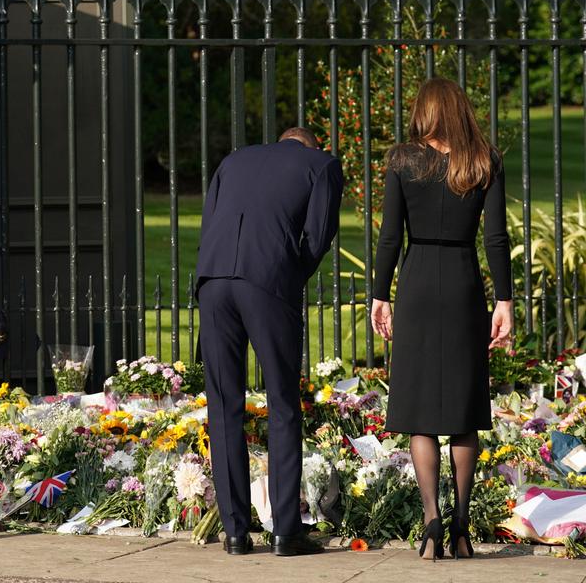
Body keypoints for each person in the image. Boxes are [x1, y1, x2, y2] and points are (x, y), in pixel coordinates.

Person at [371, 78, 512, 561]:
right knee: (463, 407)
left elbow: (390, 236)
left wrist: (379, 295)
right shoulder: (483, 160)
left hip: (416, 284)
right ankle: (461, 527)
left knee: (421, 409)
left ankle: (431, 520)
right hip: (462, 283)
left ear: (424, 112)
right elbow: (496, 238)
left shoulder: (403, 160)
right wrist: (505, 302)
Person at [196, 127, 343, 557]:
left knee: (224, 406)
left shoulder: (234, 159)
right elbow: (318, 236)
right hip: (267, 282)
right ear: (312, 145)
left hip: (213, 280)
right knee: (282, 403)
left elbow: (210, 222)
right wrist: (288, 274)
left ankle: (236, 532)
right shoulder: (322, 166)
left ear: (281, 142)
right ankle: (286, 531)